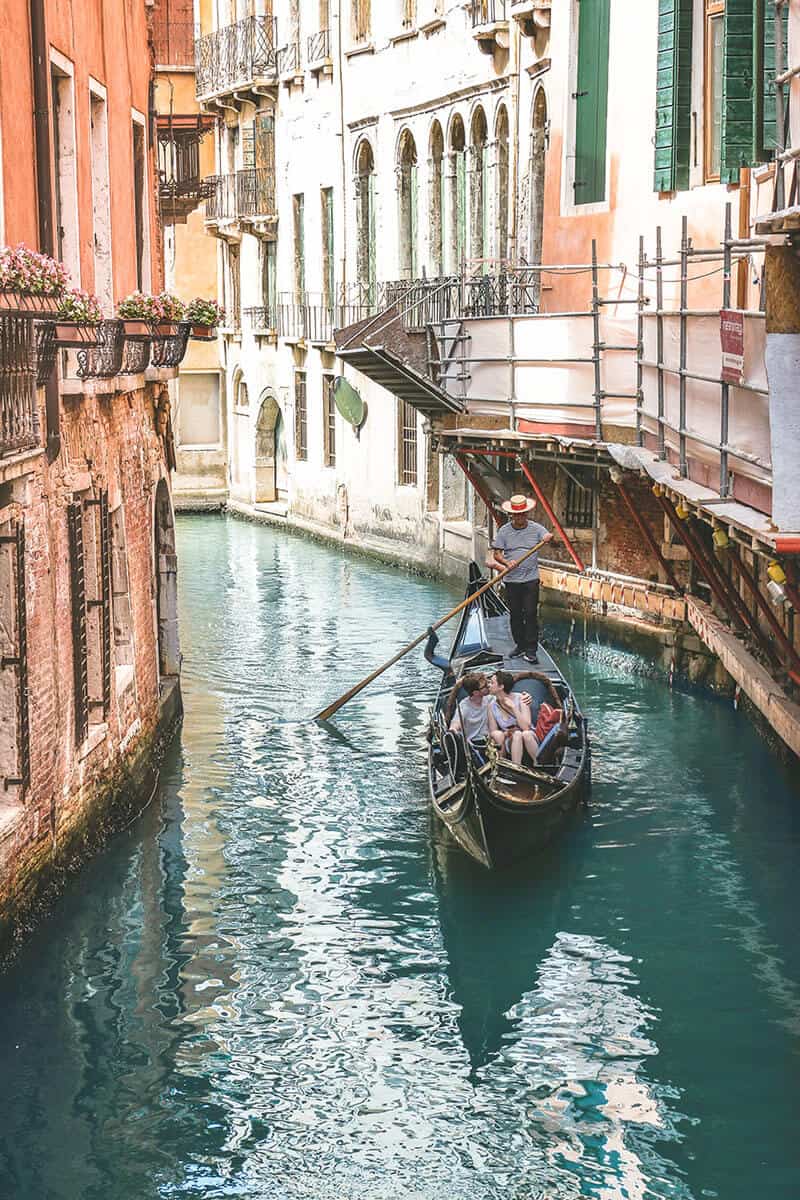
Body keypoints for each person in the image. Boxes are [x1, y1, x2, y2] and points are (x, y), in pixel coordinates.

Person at [491, 494, 553, 663]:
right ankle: (520, 645)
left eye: (522, 514)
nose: (519, 517)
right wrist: (506, 562)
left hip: (531, 579)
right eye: (516, 515)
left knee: (531, 613)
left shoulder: (536, 528)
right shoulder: (504, 531)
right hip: (511, 580)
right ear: (512, 515)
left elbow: (547, 536)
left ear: (526, 514)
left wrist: (547, 537)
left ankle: (531, 649)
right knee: (516, 615)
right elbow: (496, 554)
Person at [487, 670, 540, 766]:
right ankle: (516, 768)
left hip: (529, 737)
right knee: (517, 734)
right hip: (510, 739)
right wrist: (505, 733)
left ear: (501, 686)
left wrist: (514, 708)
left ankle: (539, 764)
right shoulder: (491, 706)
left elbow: (526, 727)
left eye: (492, 682)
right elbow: (493, 732)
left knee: (525, 734)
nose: (489, 685)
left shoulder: (521, 698)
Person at [447, 672, 492, 745]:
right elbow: (456, 722)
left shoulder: (490, 699)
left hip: (488, 740)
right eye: (485, 686)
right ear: (476, 693)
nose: (489, 686)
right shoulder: (464, 706)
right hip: (471, 744)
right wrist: (453, 730)